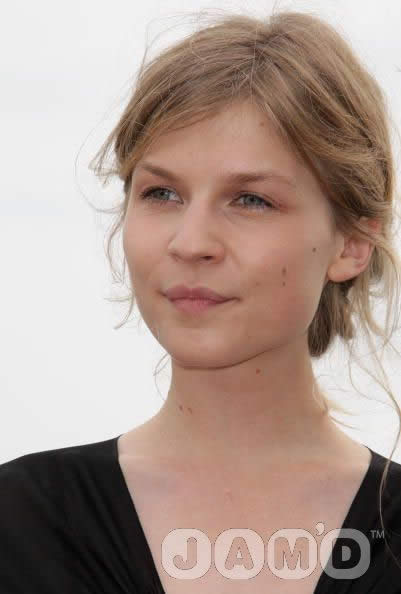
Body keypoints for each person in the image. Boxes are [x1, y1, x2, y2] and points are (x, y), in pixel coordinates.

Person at [1, 8, 401, 594]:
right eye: (161, 193)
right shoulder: (22, 522)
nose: (190, 244)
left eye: (251, 201)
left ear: (353, 242)